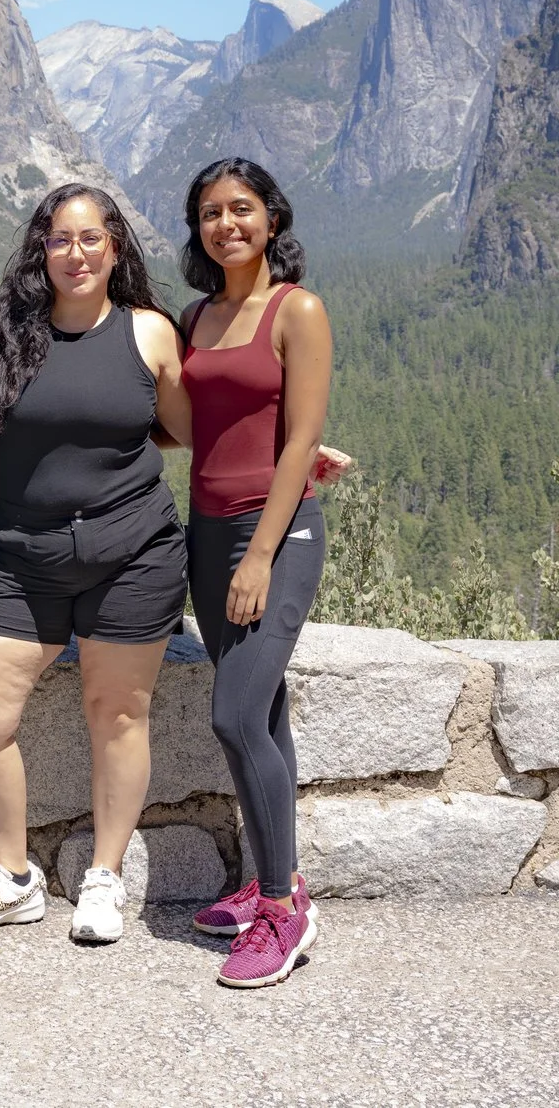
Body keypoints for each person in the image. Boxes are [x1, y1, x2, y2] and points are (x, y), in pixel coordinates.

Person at [0, 184, 190, 946]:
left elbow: (192, 432)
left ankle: (104, 878)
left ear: (115, 247)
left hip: (134, 554)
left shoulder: (149, 333)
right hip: (23, 557)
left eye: (90, 238)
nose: (75, 253)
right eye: (59, 239)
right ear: (40, 251)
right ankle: (13, 878)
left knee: (116, 713)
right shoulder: (5, 332)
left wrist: (291, 458)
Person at [175, 157, 333, 991]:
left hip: (276, 534)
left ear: (271, 218)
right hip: (206, 532)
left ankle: (283, 906)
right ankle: (272, 879)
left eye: (241, 209)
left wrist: (263, 555)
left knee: (234, 715)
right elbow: (186, 421)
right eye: (209, 212)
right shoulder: (197, 316)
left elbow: (301, 437)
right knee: (263, 713)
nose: (225, 224)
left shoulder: (294, 309)